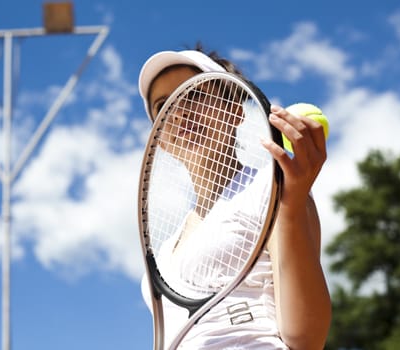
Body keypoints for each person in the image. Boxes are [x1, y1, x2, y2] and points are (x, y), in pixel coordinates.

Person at [138, 45, 332, 349]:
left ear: (235, 110)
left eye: (195, 93)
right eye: (163, 105)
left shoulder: (273, 191)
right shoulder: (163, 252)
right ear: (158, 137)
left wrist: (291, 209)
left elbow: (306, 338)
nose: (179, 110)